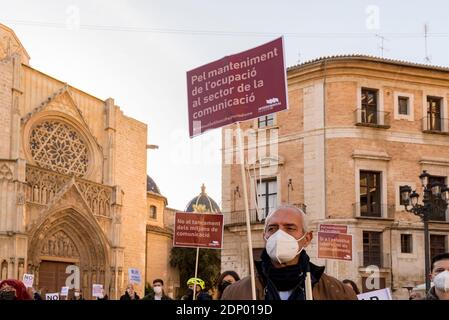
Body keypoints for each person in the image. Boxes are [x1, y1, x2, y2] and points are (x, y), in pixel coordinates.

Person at [221, 205, 357, 300]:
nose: (279, 234)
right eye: (272, 228)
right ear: (265, 237)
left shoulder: (339, 293)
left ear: (307, 238)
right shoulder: (235, 293)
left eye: (290, 228)